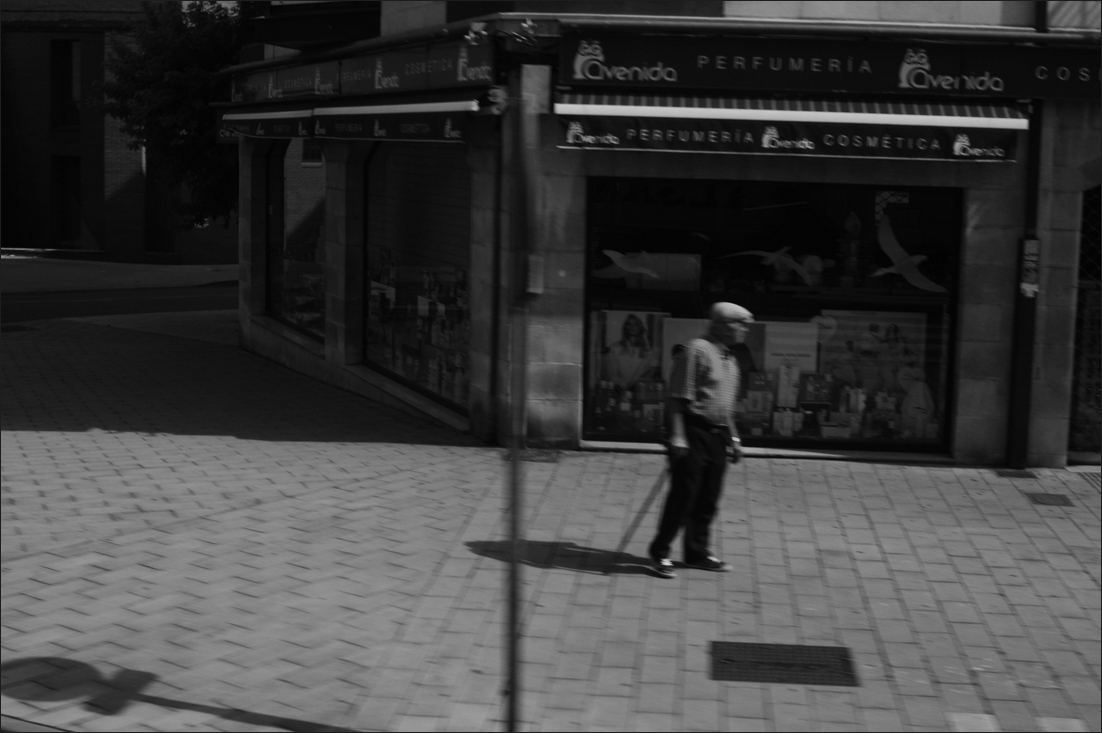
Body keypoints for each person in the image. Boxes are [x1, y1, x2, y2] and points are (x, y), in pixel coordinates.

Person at [648, 301, 753, 579]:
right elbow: (676, 398)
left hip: (717, 434)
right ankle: (660, 552)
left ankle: (697, 552)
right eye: (739, 324)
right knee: (683, 496)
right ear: (721, 326)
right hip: (692, 431)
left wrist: (734, 438)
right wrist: (677, 436)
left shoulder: (730, 358)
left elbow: (725, 405)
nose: (744, 329)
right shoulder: (696, 350)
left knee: (708, 496)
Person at [601, 313, 658, 389]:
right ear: (625, 327)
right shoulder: (615, 348)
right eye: (630, 324)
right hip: (620, 390)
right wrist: (622, 385)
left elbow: (651, 370)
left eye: (636, 324)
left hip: (640, 390)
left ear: (640, 328)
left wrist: (639, 384)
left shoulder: (647, 350)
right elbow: (612, 374)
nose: (633, 327)